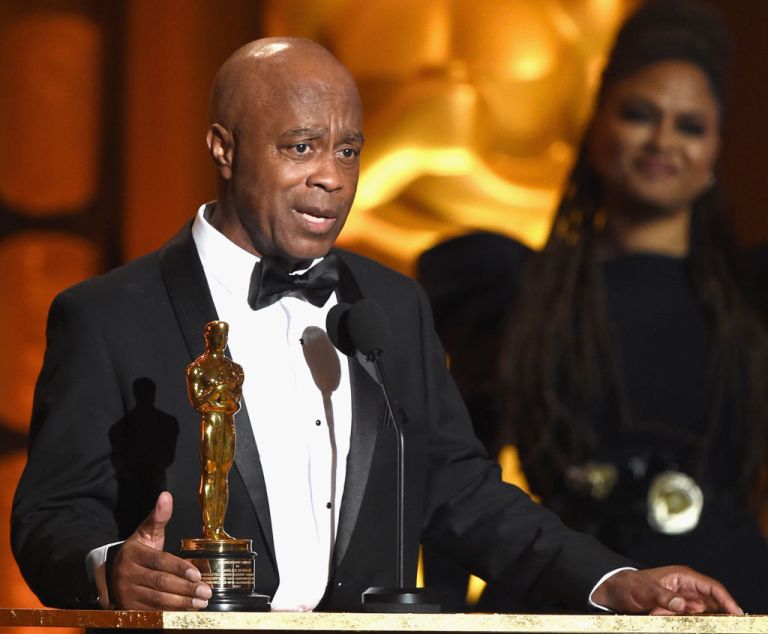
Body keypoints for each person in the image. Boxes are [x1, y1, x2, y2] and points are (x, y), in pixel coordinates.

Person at [12, 36, 741, 615]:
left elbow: (462, 492)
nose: (331, 176)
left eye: (348, 150)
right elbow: (50, 517)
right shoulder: (108, 317)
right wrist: (110, 569)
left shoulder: (390, 307)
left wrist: (612, 581)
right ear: (224, 148)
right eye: (300, 148)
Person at [418, 0, 768, 614]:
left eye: (689, 126)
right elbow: (460, 480)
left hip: (734, 596)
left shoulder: (751, 296)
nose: (663, 139)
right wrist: (442, 616)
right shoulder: (517, 290)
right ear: (597, 123)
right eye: (640, 114)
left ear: (716, 151)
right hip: (566, 594)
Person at [186, 320, 244, 542]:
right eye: (217, 335)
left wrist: (220, 396)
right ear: (207, 337)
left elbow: (235, 403)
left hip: (227, 422)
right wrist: (219, 391)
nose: (221, 339)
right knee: (211, 473)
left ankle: (219, 528)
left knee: (224, 475)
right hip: (210, 420)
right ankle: (209, 529)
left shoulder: (234, 369)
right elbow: (198, 402)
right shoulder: (197, 368)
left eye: (224, 335)